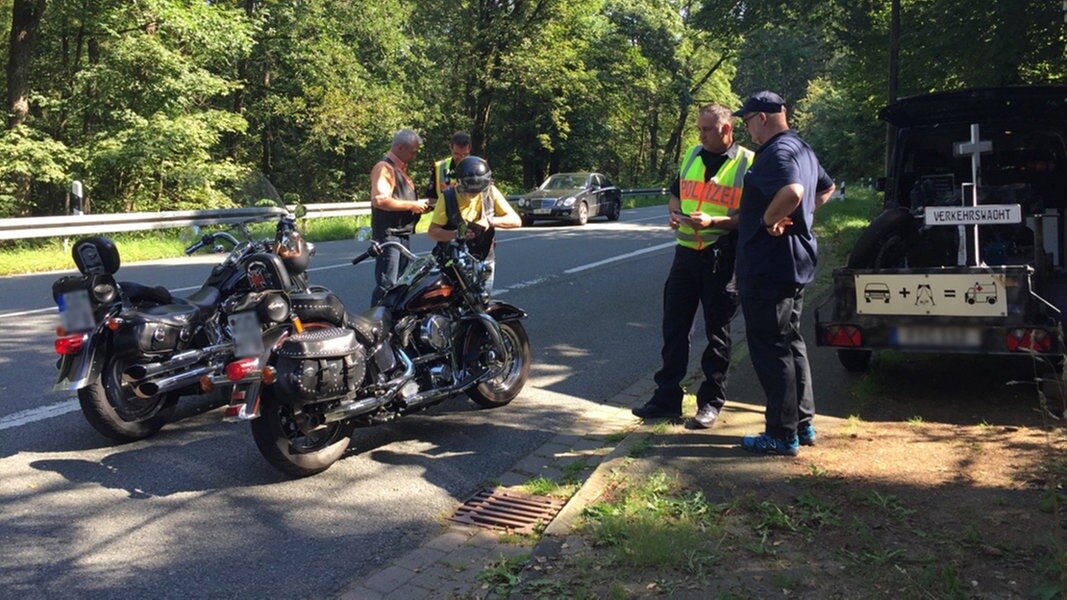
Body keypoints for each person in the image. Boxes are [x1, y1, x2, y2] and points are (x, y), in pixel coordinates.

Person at [631, 103, 754, 429]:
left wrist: (715, 220)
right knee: (674, 328)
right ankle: (666, 398)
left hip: (721, 254)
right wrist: (674, 213)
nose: (701, 135)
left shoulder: (748, 163)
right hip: (685, 253)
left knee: (717, 333)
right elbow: (676, 195)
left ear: (727, 130)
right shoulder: (692, 155)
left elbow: (753, 219)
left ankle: (710, 402)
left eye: (707, 130)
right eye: (699, 129)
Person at [733, 91, 835, 456]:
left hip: (768, 266)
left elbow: (793, 191)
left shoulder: (777, 152)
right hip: (794, 264)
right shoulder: (802, 149)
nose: (747, 130)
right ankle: (802, 423)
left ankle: (780, 432)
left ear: (761, 117)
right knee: (791, 342)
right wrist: (802, 215)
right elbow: (825, 188)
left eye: (746, 122)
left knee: (770, 348)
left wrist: (769, 219)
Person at [426, 156, 522, 293]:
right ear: (459, 183)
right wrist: (456, 234)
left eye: (477, 192)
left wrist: (490, 221)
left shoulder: (490, 192)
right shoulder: (447, 197)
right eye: (468, 192)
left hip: (483, 259)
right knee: (455, 304)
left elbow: (516, 220)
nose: (472, 195)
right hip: (454, 264)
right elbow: (433, 231)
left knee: (482, 302)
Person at [369, 128, 432, 304]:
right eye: (412, 151)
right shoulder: (384, 168)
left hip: (401, 235)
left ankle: (393, 323)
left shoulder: (399, 169)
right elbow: (380, 201)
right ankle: (375, 325)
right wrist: (413, 205)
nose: (414, 155)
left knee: (401, 284)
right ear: (399, 147)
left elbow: (398, 200)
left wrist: (419, 207)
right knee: (387, 284)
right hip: (389, 236)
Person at [424, 131, 472, 206]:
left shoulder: (478, 167)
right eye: (457, 154)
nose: (460, 158)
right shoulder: (440, 167)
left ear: (469, 150)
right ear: (451, 148)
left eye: (465, 155)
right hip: (444, 214)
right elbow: (431, 198)